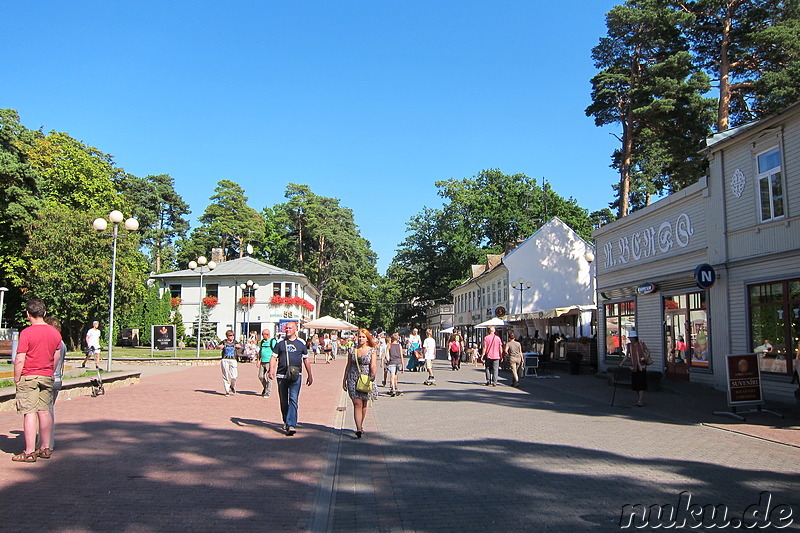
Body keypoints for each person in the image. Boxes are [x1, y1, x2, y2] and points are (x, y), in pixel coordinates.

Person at [12, 299, 63, 462]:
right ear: (44, 313)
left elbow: (20, 358)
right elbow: (56, 356)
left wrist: (16, 378)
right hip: (46, 376)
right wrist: (50, 371)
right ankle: (45, 447)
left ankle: (29, 451)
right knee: (44, 411)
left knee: (29, 412)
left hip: (29, 376)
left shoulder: (26, 333)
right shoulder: (55, 333)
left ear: (28, 314)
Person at [269, 321, 313, 436]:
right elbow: (273, 357)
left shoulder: (301, 343)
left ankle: (291, 424)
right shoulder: (280, 343)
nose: (287, 329)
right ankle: (286, 420)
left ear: (295, 329)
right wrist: (271, 370)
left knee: (293, 399)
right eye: (286, 328)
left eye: (290, 328)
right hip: (282, 376)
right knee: (284, 401)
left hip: (295, 376)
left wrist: (310, 374)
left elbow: (306, 359)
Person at [342, 328, 378, 438]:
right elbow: (348, 365)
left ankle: (360, 425)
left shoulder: (372, 350)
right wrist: (344, 379)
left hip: (366, 379)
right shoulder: (352, 350)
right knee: (357, 403)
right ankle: (358, 428)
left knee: (364, 404)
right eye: (359, 336)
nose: (360, 338)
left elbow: (373, 365)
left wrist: (373, 374)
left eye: (363, 337)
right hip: (353, 378)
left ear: (367, 339)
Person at [42, 316, 66, 450]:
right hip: (58, 379)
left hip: (50, 378)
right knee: (49, 410)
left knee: (46, 411)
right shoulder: (62, 343)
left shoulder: (54, 343)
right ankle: (47, 442)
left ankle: (47, 444)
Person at [621, 330, 649, 407]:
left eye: (632, 338)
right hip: (634, 367)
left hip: (641, 367)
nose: (631, 339)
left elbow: (648, 351)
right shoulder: (629, 346)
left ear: (635, 337)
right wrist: (621, 363)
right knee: (635, 385)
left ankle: (640, 400)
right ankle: (639, 399)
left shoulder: (641, 344)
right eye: (630, 338)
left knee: (641, 384)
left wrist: (645, 357)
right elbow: (627, 356)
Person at [217, 330, 241, 396]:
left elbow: (240, 346)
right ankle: (227, 390)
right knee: (225, 375)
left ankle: (232, 386)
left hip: (233, 360)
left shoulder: (235, 342)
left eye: (233, 335)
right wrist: (220, 347)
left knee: (234, 376)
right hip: (225, 359)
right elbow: (218, 347)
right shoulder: (224, 342)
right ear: (227, 336)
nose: (232, 337)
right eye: (230, 335)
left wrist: (238, 346)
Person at [258, 329, 277, 397]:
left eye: (263, 334)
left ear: (267, 334)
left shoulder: (272, 341)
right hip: (263, 361)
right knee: (260, 376)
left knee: (269, 377)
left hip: (270, 362)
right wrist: (258, 360)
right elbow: (260, 351)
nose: (262, 336)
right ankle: (266, 387)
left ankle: (267, 392)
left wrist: (274, 361)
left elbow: (276, 351)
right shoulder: (262, 341)